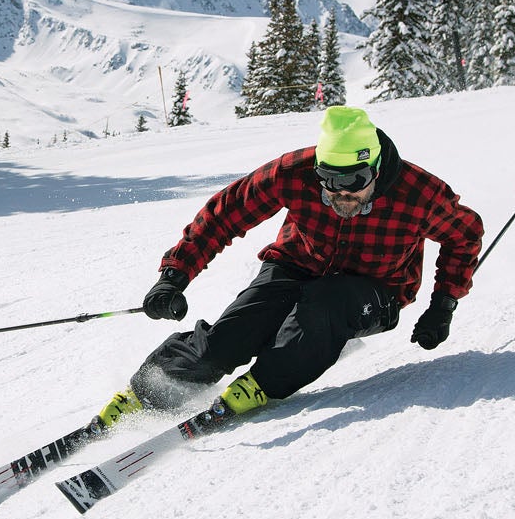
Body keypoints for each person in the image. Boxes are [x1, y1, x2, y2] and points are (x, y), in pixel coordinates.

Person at [94, 105, 485, 431]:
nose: (339, 194)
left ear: (376, 168)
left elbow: (465, 235)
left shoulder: (419, 194)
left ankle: (265, 381)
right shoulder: (293, 172)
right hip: (296, 263)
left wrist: (443, 305)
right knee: (235, 332)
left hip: (375, 288)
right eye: (328, 181)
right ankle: (150, 389)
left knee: (322, 309)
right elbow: (226, 213)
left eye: (353, 182)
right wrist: (174, 276)